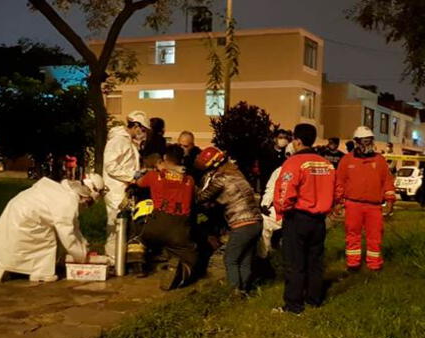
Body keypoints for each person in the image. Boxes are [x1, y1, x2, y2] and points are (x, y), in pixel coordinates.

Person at [0, 174, 107, 285]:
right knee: (47, 239)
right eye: (88, 202)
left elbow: (74, 224)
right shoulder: (68, 203)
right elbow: (68, 235)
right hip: (28, 217)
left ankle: (0, 276)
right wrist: (81, 256)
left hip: (18, 208)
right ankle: (40, 273)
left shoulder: (65, 191)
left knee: (10, 246)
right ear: (87, 196)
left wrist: (84, 244)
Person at [272, 124, 336, 315]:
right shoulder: (326, 163)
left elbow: (284, 191)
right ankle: (314, 299)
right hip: (319, 220)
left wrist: (281, 211)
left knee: (295, 262)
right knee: (315, 261)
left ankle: (294, 305)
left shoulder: (294, 163)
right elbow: (335, 190)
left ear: (297, 141)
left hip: (298, 218)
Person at [195, 147, 262, 294]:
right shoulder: (238, 175)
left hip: (241, 224)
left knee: (230, 259)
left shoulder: (221, 179)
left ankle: (234, 293)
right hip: (256, 222)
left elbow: (202, 198)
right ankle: (244, 290)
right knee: (245, 260)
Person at [135, 145, 197, 290]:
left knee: (138, 234)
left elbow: (138, 182)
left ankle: (137, 261)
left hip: (154, 227)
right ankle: (178, 271)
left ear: (164, 159)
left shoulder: (154, 176)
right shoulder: (190, 180)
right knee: (191, 257)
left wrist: (155, 169)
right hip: (179, 229)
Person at [335, 126, 396, 271]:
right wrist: (338, 202)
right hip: (353, 204)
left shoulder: (380, 160)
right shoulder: (347, 160)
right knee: (352, 235)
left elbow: (387, 181)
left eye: (369, 141)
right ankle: (353, 264)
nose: (366, 144)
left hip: (374, 206)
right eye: (364, 141)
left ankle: (374, 265)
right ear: (356, 142)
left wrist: (390, 200)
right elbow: (340, 182)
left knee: (375, 236)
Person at [103, 111, 150, 264]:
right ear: (136, 126)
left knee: (122, 225)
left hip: (124, 190)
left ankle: (119, 259)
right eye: (143, 130)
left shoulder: (128, 141)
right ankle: (113, 260)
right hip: (115, 191)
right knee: (116, 226)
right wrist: (132, 175)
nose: (143, 134)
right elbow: (110, 166)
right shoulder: (119, 140)